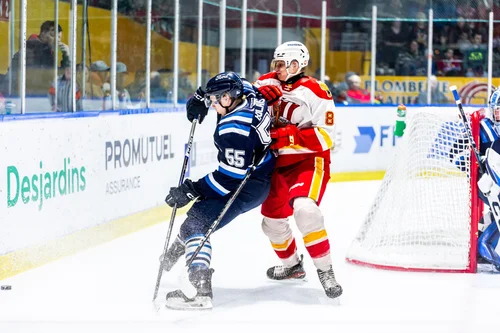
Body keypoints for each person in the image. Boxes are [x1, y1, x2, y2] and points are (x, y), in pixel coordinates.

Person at [161, 71, 275, 309]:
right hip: (258, 171)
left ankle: (200, 291)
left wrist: (193, 189)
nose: (212, 104)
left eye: (216, 100)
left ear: (228, 98)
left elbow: (229, 178)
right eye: (212, 99)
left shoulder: (235, 130)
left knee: (197, 223)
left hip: (248, 184)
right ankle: (171, 257)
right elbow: (237, 82)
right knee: (196, 219)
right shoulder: (246, 92)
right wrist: (200, 96)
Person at [253, 41, 343, 299]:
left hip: (308, 162)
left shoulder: (316, 91)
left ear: (296, 64)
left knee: (306, 211)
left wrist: (287, 137)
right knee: (271, 223)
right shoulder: (265, 83)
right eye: (276, 63)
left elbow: (326, 137)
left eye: (281, 64)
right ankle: (293, 265)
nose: (277, 68)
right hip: (275, 165)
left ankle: (326, 271)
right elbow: (240, 99)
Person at [474, 88, 500, 272]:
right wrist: (479, 163)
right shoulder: (484, 127)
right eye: (497, 109)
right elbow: (455, 154)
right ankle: (484, 246)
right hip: (488, 184)